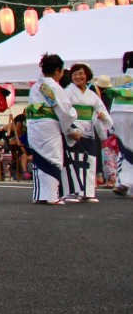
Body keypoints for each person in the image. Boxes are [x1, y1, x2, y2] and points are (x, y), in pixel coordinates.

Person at [26, 53, 80, 205]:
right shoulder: (54, 87)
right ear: (58, 70)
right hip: (49, 125)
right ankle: (51, 196)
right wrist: (71, 131)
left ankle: (40, 195)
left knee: (40, 157)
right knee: (53, 158)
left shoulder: (35, 87)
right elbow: (65, 112)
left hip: (34, 125)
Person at [64, 63, 112, 202]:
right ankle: (71, 192)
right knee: (73, 160)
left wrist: (102, 116)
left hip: (89, 129)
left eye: (81, 74)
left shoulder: (92, 95)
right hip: (74, 129)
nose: (78, 76)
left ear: (87, 76)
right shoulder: (67, 93)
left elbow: (100, 109)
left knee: (89, 161)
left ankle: (87, 192)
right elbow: (64, 112)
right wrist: (70, 129)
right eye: (75, 74)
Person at [109, 51, 133, 197]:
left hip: (117, 113)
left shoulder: (119, 79)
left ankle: (124, 182)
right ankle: (126, 182)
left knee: (125, 148)